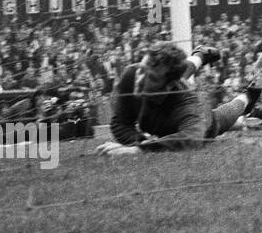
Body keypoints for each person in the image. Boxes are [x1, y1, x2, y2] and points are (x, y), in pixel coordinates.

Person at [94, 42, 238, 154]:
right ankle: (201, 54)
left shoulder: (189, 105)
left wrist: (140, 150)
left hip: (202, 114)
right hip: (169, 84)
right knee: (180, 69)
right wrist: (141, 142)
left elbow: (192, 139)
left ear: (169, 86)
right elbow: (120, 123)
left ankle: (249, 97)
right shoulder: (132, 73)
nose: (139, 80)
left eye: (152, 78)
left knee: (224, 116)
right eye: (141, 69)